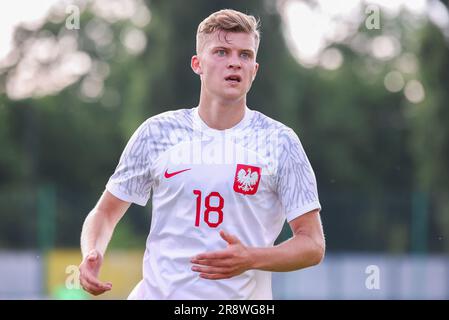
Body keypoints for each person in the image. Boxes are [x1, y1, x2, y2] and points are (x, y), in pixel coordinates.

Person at [79, 8, 325, 300]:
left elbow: (312, 244)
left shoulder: (281, 142)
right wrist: (92, 251)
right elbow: (105, 213)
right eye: (221, 52)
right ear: (197, 64)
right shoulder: (157, 133)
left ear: (254, 70)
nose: (235, 63)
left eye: (245, 55)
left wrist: (252, 257)